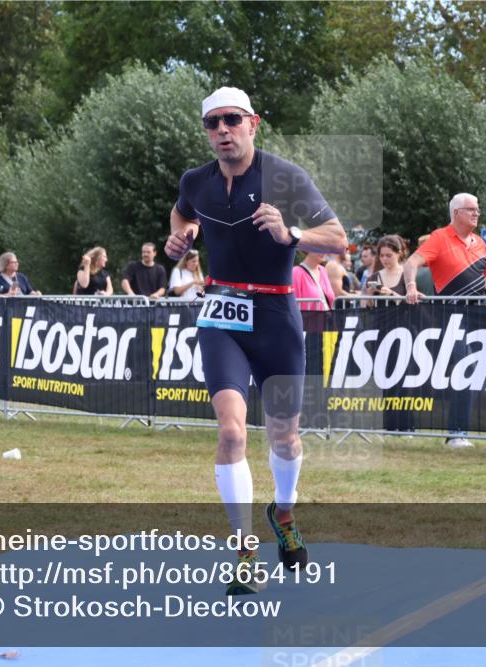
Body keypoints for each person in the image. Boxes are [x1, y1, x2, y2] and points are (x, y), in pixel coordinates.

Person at [164, 86, 347, 595]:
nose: (222, 130)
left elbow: (337, 237)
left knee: (285, 434)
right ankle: (245, 550)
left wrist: (292, 234)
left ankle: (283, 514)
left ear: (253, 123)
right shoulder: (195, 181)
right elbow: (182, 214)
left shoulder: (284, 177)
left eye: (232, 120)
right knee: (231, 433)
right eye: (212, 123)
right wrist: (179, 237)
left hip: (275, 314)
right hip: (221, 312)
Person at [403, 193, 486, 449]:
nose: (477, 213)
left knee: (473, 369)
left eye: (478, 209)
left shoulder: (481, 243)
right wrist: (410, 286)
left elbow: (483, 275)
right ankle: (456, 433)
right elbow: (412, 262)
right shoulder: (440, 237)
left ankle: (460, 431)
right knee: (466, 366)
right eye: (471, 209)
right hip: (451, 315)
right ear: (456, 213)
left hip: (477, 316)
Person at [362, 235, 408, 306]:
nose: (384, 259)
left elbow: (414, 303)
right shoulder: (373, 278)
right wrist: (369, 296)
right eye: (381, 255)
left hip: (402, 316)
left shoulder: (408, 275)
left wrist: (392, 295)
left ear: (399, 254)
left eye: (389, 255)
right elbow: (370, 309)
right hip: (381, 316)